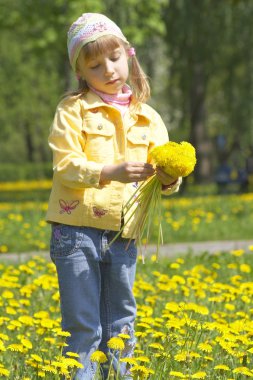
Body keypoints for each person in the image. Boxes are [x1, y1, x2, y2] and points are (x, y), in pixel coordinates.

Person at [46, 12, 181, 379]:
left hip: (124, 233)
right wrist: (109, 172)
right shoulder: (72, 111)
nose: (108, 69)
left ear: (129, 54)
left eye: (115, 58)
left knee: (121, 323)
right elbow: (66, 165)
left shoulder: (148, 118)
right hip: (75, 232)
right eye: (95, 65)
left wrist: (169, 178)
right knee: (84, 327)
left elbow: (163, 177)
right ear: (80, 73)